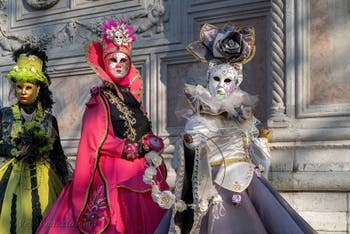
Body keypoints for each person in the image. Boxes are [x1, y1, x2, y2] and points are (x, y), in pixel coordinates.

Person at [157, 22, 316, 234]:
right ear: (208, 80)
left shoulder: (242, 115)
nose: (221, 85)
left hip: (245, 183)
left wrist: (258, 147)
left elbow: (249, 152)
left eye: (227, 80)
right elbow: (183, 163)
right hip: (209, 187)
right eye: (216, 79)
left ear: (237, 82)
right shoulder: (197, 119)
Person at [37, 19, 169, 234]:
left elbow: (142, 130)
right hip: (112, 174)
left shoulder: (134, 99)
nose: (119, 64)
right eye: (113, 60)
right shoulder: (99, 100)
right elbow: (95, 139)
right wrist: (129, 148)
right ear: (104, 63)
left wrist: (151, 142)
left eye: (123, 60)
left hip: (144, 174)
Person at [0, 44, 70, 233]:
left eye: (28, 87)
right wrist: (13, 149)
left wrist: (68, 183)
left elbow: (58, 154)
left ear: (38, 89)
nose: (23, 91)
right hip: (10, 180)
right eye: (19, 87)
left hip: (44, 179)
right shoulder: (4, 115)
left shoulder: (49, 120)